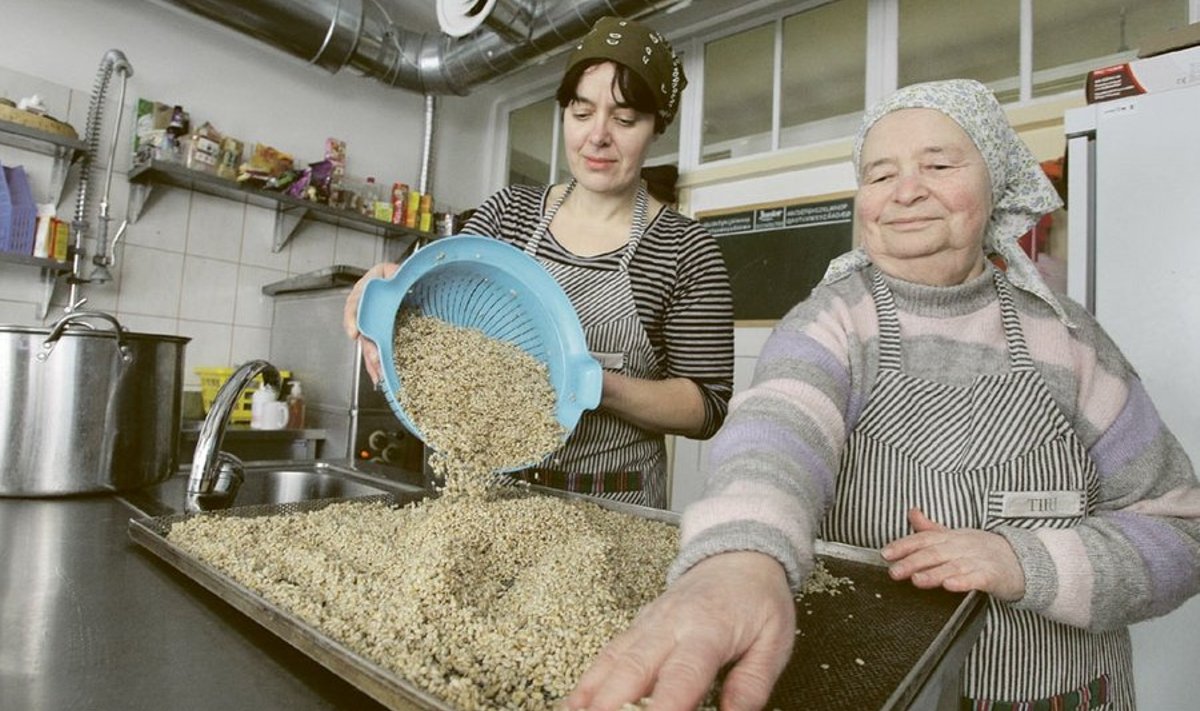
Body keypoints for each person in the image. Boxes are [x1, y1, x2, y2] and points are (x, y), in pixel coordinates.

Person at [564, 79, 1200, 711]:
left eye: (940, 165)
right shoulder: (829, 324)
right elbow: (774, 440)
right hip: (872, 691)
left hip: (1060, 696)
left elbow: (1182, 533)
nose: (906, 190)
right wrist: (741, 556)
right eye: (879, 173)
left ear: (995, 181)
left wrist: (1023, 559)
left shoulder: (1073, 343)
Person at [343, 16, 734, 509]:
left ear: (657, 126)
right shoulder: (507, 215)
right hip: (488, 493)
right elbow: (435, 316)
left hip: (613, 505)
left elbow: (707, 406)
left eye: (625, 118)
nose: (598, 136)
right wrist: (386, 296)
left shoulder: (686, 248)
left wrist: (594, 385)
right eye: (581, 112)